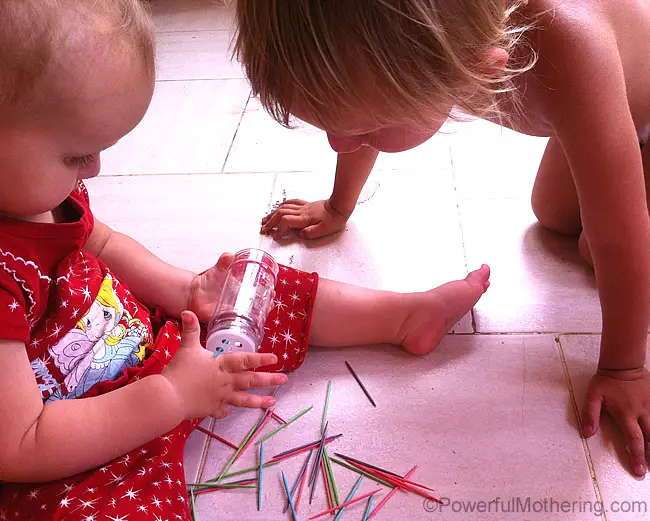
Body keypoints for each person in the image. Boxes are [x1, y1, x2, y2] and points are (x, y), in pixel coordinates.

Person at [0, 1, 490, 519]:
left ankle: (403, 316)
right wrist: (168, 397)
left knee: (255, 288)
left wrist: (186, 291)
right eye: (76, 156)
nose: (94, 171)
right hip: (78, 443)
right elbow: (21, 444)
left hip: (157, 347)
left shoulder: (40, 194)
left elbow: (100, 244)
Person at [234, 0, 650, 477]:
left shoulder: (571, 46)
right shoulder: (453, 43)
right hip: (612, 102)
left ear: (476, 70)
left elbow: (620, 235)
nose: (337, 143)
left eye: (365, 129)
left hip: (632, 96)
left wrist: (624, 369)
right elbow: (356, 112)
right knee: (553, 216)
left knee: (599, 246)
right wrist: (337, 207)